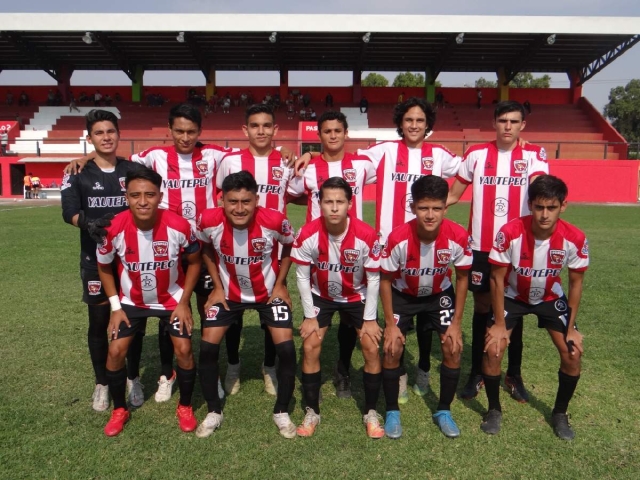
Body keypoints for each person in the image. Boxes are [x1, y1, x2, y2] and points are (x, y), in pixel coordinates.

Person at [296, 97, 462, 402]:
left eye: (420, 120)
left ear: (428, 125)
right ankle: (380, 373)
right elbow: (335, 160)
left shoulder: (439, 154)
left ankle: (422, 367)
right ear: (400, 123)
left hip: (429, 241)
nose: (414, 125)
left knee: (427, 312)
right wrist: (312, 155)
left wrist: (447, 201)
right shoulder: (382, 152)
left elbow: (469, 169)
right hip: (385, 247)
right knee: (379, 311)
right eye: (408, 120)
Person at [447, 100, 549, 403]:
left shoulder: (534, 154)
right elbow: (454, 192)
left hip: (518, 248)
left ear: (522, 126)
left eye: (514, 122)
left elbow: (539, 189)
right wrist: (432, 210)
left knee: (512, 310)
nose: (508, 127)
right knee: (481, 308)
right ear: (495, 122)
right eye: (503, 120)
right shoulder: (477, 154)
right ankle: (477, 372)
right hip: (480, 246)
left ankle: (513, 374)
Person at [481, 175, 588, 440]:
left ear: (563, 206)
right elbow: (496, 278)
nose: (544, 214)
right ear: (530, 205)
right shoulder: (510, 232)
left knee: (573, 354)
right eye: (539, 207)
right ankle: (494, 409)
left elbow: (575, 285)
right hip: (512, 295)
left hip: (550, 298)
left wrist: (572, 328)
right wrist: (498, 323)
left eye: (551, 208)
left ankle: (560, 413)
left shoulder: (574, 238)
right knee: (494, 350)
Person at [97, 167, 201, 436]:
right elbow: (104, 267)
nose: (142, 201)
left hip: (172, 300)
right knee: (115, 352)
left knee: (184, 350)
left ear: (160, 196)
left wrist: (184, 302)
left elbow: (194, 262)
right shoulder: (113, 228)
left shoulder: (179, 226)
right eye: (135, 195)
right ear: (126, 197)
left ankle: (186, 406)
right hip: (131, 301)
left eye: (149, 195)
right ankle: (119, 409)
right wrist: (115, 307)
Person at [195, 171, 298, 439]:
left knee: (286, 350)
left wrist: (280, 284)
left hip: (267, 294)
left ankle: (282, 411)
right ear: (222, 201)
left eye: (246, 201)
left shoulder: (274, 220)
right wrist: (217, 286)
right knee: (207, 348)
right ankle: (214, 411)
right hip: (228, 295)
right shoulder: (208, 220)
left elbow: (289, 246)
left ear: (257, 200)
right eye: (232, 202)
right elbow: (205, 249)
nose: (239, 208)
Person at [61, 110, 148, 412]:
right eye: (99, 133)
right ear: (90, 138)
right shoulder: (76, 171)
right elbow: (68, 212)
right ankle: (101, 383)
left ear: (118, 134)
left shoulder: (134, 169)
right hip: (95, 260)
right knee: (98, 323)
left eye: (111, 131)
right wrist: (88, 223)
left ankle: (133, 377)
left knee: (134, 321)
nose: (106, 137)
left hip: (133, 261)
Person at [292, 177, 385, 439]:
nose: (334, 208)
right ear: (320, 204)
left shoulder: (367, 235)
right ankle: (312, 411)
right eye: (329, 202)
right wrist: (310, 316)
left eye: (339, 202)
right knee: (310, 343)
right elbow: (301, 276)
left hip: (357, 296)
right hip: (321, 294)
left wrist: (369, 320)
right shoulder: (308, 233)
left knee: (369, 345)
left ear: (349, 204)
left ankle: (370, 412)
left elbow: (375, 278)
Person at [380, 175, 472, 439]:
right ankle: (392, 412)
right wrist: (390, 324)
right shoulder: (398, 238)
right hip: (402, 295)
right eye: (423, 208)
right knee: (392, 348)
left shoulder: (457, 236)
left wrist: (455, 324)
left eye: (436, 208)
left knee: (453, 347)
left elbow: (463, 277)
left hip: (439, 295)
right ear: (413, 207)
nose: (430, 215)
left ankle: (444, 411)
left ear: (445, 207)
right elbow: (385, 280)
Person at [215, 104, 294, 396]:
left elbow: (297, 194)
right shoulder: (230, 161)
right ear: (245, 130)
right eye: (255, 126)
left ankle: (269, 365)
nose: (261, 131)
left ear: (275, 130)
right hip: (233, 251)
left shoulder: (286, 162)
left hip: (269, 254)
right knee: (232, 314)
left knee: (269, 316)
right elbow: (219, 199)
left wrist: (305, 154)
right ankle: (233, 365)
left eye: (266, 126)